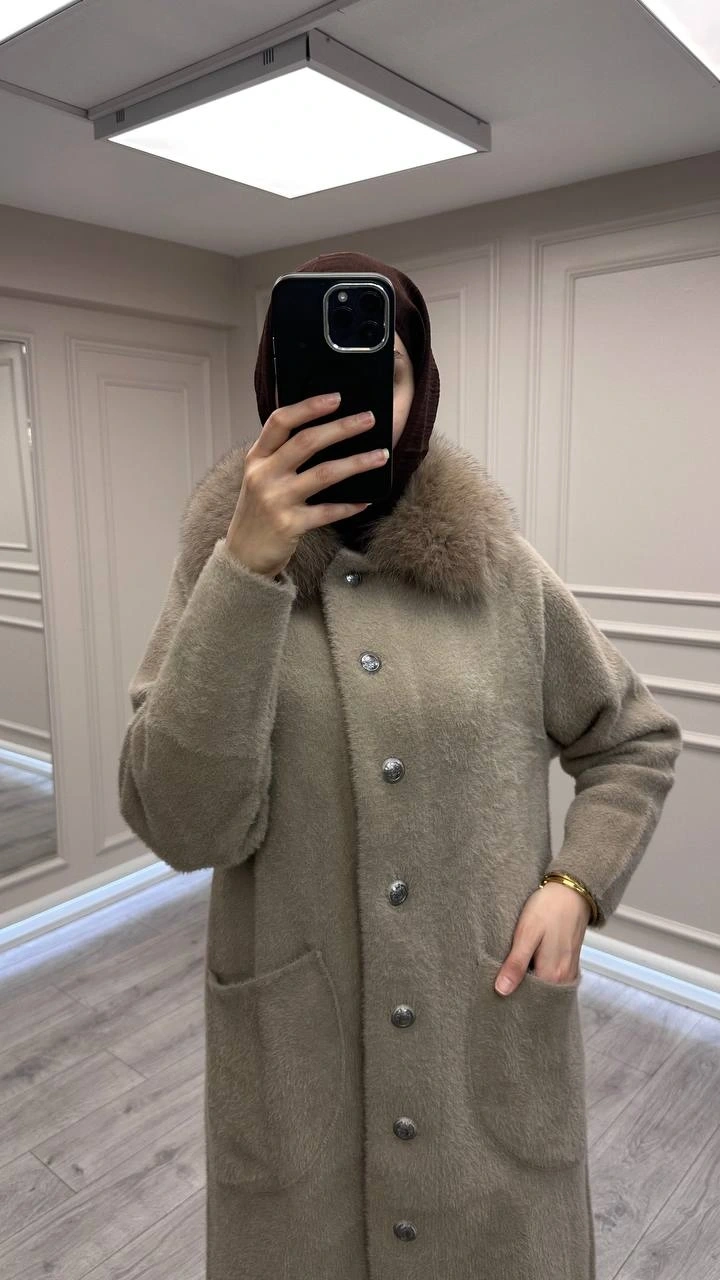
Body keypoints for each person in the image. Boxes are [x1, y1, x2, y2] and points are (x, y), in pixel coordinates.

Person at [118, 250, 683, 1280]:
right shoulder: (218, 577)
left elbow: (631, 738)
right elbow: (184, 825)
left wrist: (575, 884)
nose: (352, 400)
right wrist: (245, 571)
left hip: (485, 1072)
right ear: (272, 386)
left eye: (388, 372)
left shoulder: (500, 572)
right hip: (299, 1083)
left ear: (424, 391)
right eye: (316, 374)